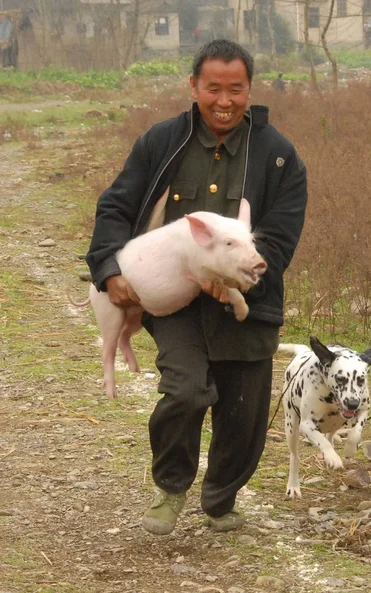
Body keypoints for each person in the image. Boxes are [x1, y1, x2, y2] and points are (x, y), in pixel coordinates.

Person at [86, 39, 307, 535]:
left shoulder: (277, 156)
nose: (224, 101)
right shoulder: (161, 143)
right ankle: (170, 485)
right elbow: (117, 208)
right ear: (194, 87)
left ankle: (221, 498)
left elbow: (279, 233)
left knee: (243, 416)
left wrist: (234, 277)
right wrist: (109, 270)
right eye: (213, 88)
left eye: (236, 89)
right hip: (174, 301)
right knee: (185, 392)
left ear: (250, 91)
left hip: (246, 301)